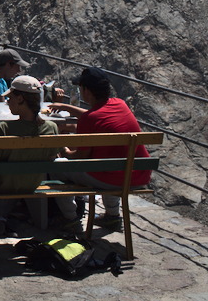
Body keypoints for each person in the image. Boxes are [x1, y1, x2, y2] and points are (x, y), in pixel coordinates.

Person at [48, 67, 152, 233]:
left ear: (86, 90)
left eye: (80, 88)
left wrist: (62, 148)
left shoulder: (90, 119)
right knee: (110, 163)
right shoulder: (120, 104)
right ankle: (112, 216)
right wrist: (68, 108)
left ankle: (70, 218)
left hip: (113, 179)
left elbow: (79, 158)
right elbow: (96, 115)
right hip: (138, 174)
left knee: (56, 167)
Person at [0, 75, 60, 235]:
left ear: (20, 99)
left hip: (5, 186)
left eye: (10, 98)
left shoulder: (3, 128)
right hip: (34, 184)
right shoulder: (52, 128)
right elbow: (51, 158)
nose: (8, 101)